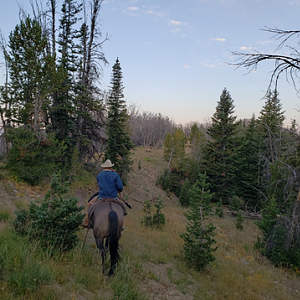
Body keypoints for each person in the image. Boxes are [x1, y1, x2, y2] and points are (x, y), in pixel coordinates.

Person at [82, 159, 127, 228]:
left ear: (104, 167)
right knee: (122, 208)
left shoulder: (99, 175)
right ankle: (121, 224)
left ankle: (87, 221)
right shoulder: (115, 175)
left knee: (90, 204)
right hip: (113, 196)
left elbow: (99, 184)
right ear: (111, 167)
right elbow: (120, 187)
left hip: (102, 196)